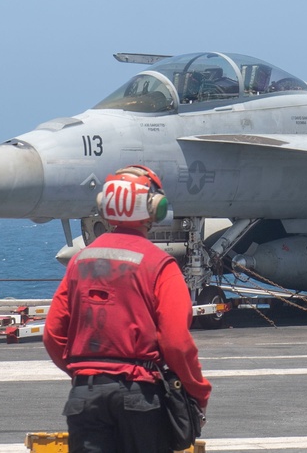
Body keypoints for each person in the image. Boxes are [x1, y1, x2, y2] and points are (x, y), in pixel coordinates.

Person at [44, 166, 211, 453]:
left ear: (104, 207)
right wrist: (197, 390)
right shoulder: (160, 265)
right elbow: (176, 341)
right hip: (140, 397)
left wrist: (85, 372)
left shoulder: (80, 261)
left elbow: (52, 335)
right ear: (154, 208)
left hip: (85, 396)